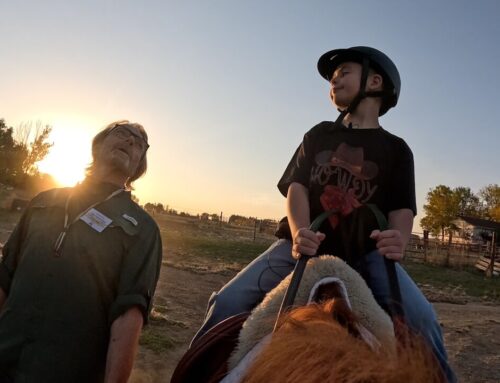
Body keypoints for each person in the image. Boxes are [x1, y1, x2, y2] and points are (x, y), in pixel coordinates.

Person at [191, 47, 456, 382]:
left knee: (424, 320)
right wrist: (300, 231)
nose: (334, 79)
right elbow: (297, 188)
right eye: (332, 78)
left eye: (344, 72)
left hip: (367, 254)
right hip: (303, 247)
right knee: (227, 301)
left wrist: (398, 238)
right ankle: (191, 373)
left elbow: (402, 209)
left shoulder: (397, 150)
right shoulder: (318, 135)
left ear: (375, 81)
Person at [0, 120, 163, 383]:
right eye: (122, 133)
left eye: (140, 144)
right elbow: (4, 277)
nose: (131, 141)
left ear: (138, 167)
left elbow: (129, 316)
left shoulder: (143, 229)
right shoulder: (43, 201)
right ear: (97, 146)